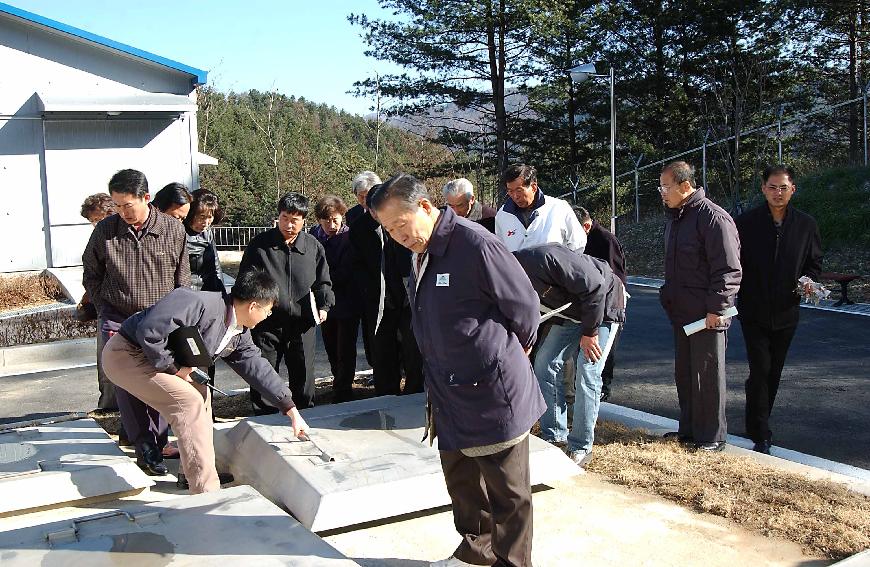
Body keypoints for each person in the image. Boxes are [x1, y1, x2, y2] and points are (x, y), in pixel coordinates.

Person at [371, 173, 544, 567]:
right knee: (463, 484)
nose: (399, 236)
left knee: (508, 493)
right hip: (447, 392)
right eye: (389, 230)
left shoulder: (474, 244)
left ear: (427, 208)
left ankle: (512, 562)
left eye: (401, 225)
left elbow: (525, 308)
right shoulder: (421, 250)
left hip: (492, 392)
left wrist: (505, 353)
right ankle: (475, 553)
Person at [101, 269, 309, 494]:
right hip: (126, 354)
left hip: (153, 359)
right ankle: (205, 490)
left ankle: (190, 473)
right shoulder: (196, 302)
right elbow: (150, 331)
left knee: (201, 393)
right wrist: (175, 369)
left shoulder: (238, 333)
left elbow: (257, 368)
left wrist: (290, 409)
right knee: (188, 402)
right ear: (253, 306)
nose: (268, 316)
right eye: (268, 310)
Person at [82, 169, 191, 475]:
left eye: (127, 205)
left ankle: (156, 441)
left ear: (145, 198)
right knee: (127, 381)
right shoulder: (106, 230)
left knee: (159, 378)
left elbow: (182, 281)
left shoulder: (172, 230)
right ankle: (145, 446)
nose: (122, 212)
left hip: (160, 320)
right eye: (117, 206)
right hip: (118, 317)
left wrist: (179, 320)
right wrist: (104, 310)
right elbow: (91, 273)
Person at [735, 164, 822, 454]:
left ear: (793, 189)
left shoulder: (806, 225)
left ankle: (755, 419)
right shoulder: (746, 223)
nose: (777, 193)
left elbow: (813, 264)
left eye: (783, 187)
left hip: (787, 311)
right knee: (760, 368)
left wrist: (809, 281)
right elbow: (735, 264)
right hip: (753, 309)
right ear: (763, 189)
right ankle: (761, 432)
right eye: (772, 187)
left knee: (773, 371)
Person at [515, 244, 625, 468]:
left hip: (603, 305)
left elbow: (595, 287)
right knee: (544, 364)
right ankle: (554, 435)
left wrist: (590, 333)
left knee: (587, 370)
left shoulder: (544, 258)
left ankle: (581, 447)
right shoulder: (504, 280)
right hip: (570, 313)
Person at [658, 161, 741, 452]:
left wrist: (716, 308)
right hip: (682, 313)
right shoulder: (677, 218)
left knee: (707, 374)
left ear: (685, 186)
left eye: (666, 187)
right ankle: (690, 430)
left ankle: (712, 436)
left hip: (708, 315)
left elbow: (728, 270)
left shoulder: (713, 218)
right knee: (685, 374)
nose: (662, 193)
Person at [237, 192, 334, 412]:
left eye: (294, 220)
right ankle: (265, 418)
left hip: (302, 323)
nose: (288, 225)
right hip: (267, 323)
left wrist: (324, 306)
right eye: (284, 218)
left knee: (304, 374)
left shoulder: (313, 246)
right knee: (264, 373)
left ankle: (305, 416)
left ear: (304, 221)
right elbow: (246, 279)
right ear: (278, 217)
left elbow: (323, 282)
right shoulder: (260, 246)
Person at [349, 189, 424, 397]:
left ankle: (414, 391)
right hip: (379, 300)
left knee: (412, 348)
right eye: (373, 211)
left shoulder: (402, 224)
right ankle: (386, 393)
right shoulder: (359, 229)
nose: (378, 216)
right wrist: (370, 291)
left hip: (408, 296)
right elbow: (356, 265)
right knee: (382, 351)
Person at [310, 195, 360, 402]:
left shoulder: (350, 237)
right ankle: (337, 381)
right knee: (330, 345)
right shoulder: (314, 236)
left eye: (336, 220)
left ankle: (344, 389)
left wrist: (324, 280)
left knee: (345, 348)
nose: (331, 225)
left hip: (347, 299)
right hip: (323, 302)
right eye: (327, 220)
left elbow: (349, 269)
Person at [576, 206, 627, 402]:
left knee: (604, 348)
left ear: (586, 225)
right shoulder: (582, 238)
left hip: (610, 303)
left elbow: (616, 277)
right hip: (589, 302)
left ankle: (604, 386)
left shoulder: (606, 239)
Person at [79, 193, 118, 415]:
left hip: (127, 305)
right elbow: (92, 273)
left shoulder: (119, 233)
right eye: (93, 221)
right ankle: (109, 405)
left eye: (97, 219)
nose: (95, 224)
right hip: (106, 306)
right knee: (106, 359)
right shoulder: (99, 236)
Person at [495, 163, 586, 253]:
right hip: (516, 267)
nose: (515, 196)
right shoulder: (503, 215)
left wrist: (564, 264)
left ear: (534, 187)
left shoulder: (558, 208)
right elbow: (501, 251)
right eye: (510, 191)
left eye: (519, 190)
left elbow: (578, 243)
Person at [184, 189, 226, 293]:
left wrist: (222, 293)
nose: (206, 223)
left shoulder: (208, 233)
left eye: (209, 217)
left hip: (208, 290)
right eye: (202, 217)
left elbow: (216, 266)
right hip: (186, 292)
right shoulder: (179, 231)